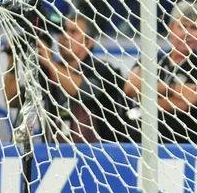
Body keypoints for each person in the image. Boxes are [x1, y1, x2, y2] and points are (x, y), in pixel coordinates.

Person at [123, 2, 197, 144]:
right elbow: (130, 86)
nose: (187, 33)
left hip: (180, 146)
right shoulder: (151, 59)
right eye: (182, 26)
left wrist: (145, 95)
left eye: (194, 28)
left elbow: (185, 103)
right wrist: (174, 89)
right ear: (171, 28)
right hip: (136, 141)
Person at [34, 12, 128, 143]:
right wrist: (13, 61)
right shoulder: (49, 70)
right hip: (55, 153)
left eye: (73, 32)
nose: (65, 36)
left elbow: (83, 91)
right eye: (63, 31)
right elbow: (12, 98)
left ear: (89, 42)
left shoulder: (105, 71)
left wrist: (50, 63)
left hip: (100, 156)